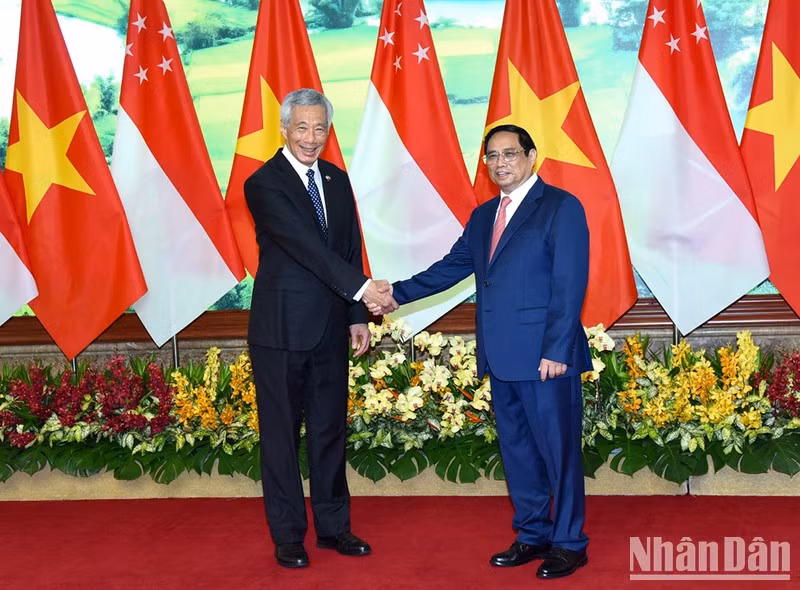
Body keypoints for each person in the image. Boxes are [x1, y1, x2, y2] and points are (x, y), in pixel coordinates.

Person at [372, 124, 592, 579]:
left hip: (547, 359)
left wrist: (556, 349)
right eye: (492, 156)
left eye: (510, 153)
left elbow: (569, 285)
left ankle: (570, 543)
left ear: (532, 156)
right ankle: (533, 534)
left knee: (559, 453)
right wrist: (394, 292)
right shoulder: (483, 216)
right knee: (518, 452)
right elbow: (451, 268)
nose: (500, 163)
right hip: (501, 356)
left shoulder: (561, 208)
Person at [244, 88, 395, 569]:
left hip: (332, 327)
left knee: (330, 431)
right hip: (281, 330)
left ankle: (334, 528)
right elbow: (306, 248)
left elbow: (349, 248)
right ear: (284, 129)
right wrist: (367, 289)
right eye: (302, 127)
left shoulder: (335, 178)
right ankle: (289, 535)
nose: (312, 138)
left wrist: (357, 315)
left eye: (320, 128)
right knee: (281, 436)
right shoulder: (263, 182)